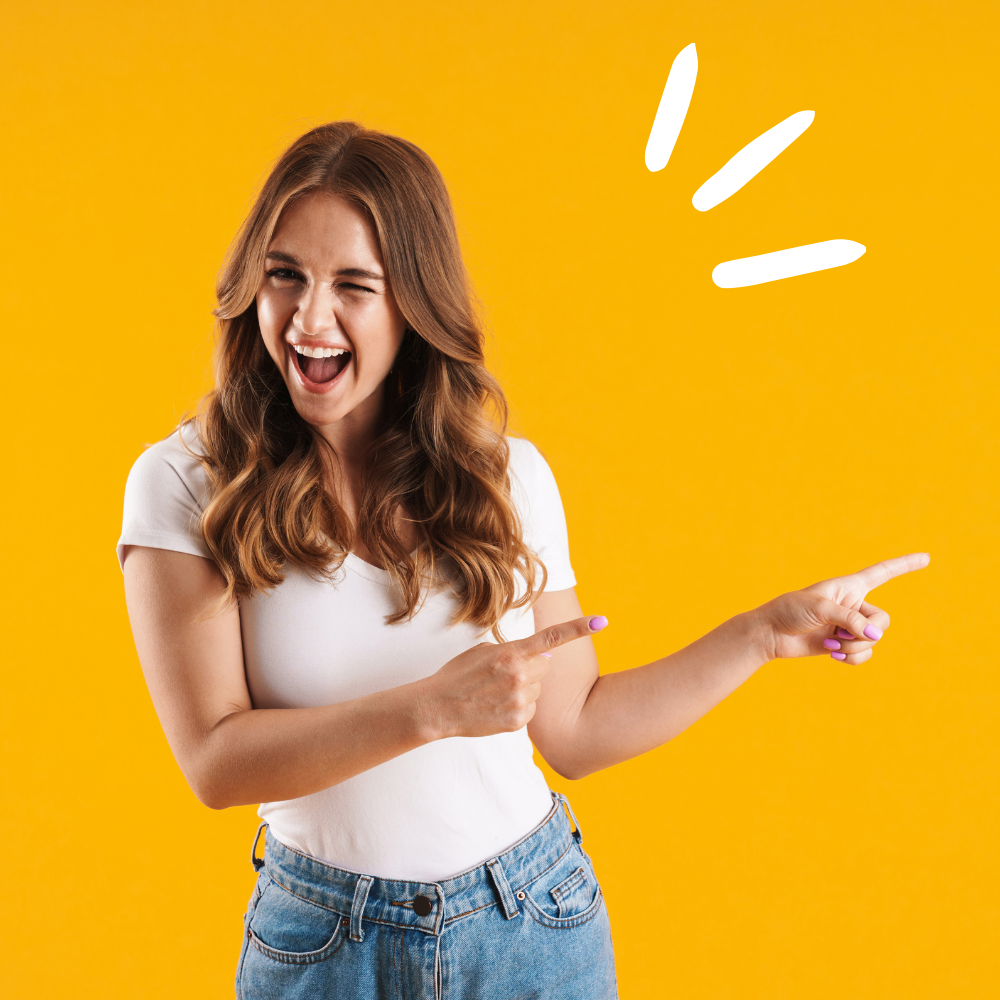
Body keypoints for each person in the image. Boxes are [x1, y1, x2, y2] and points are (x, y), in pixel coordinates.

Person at [119, 121, 928, 1000]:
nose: (311, 319)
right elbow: (215, 761)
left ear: (413, 305)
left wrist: (764, 633)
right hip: (325, 946)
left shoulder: (503, 475)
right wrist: (432, 708)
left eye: (355, 285)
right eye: (286, 276)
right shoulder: (191, 484)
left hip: (532, 923)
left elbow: (574, 730)